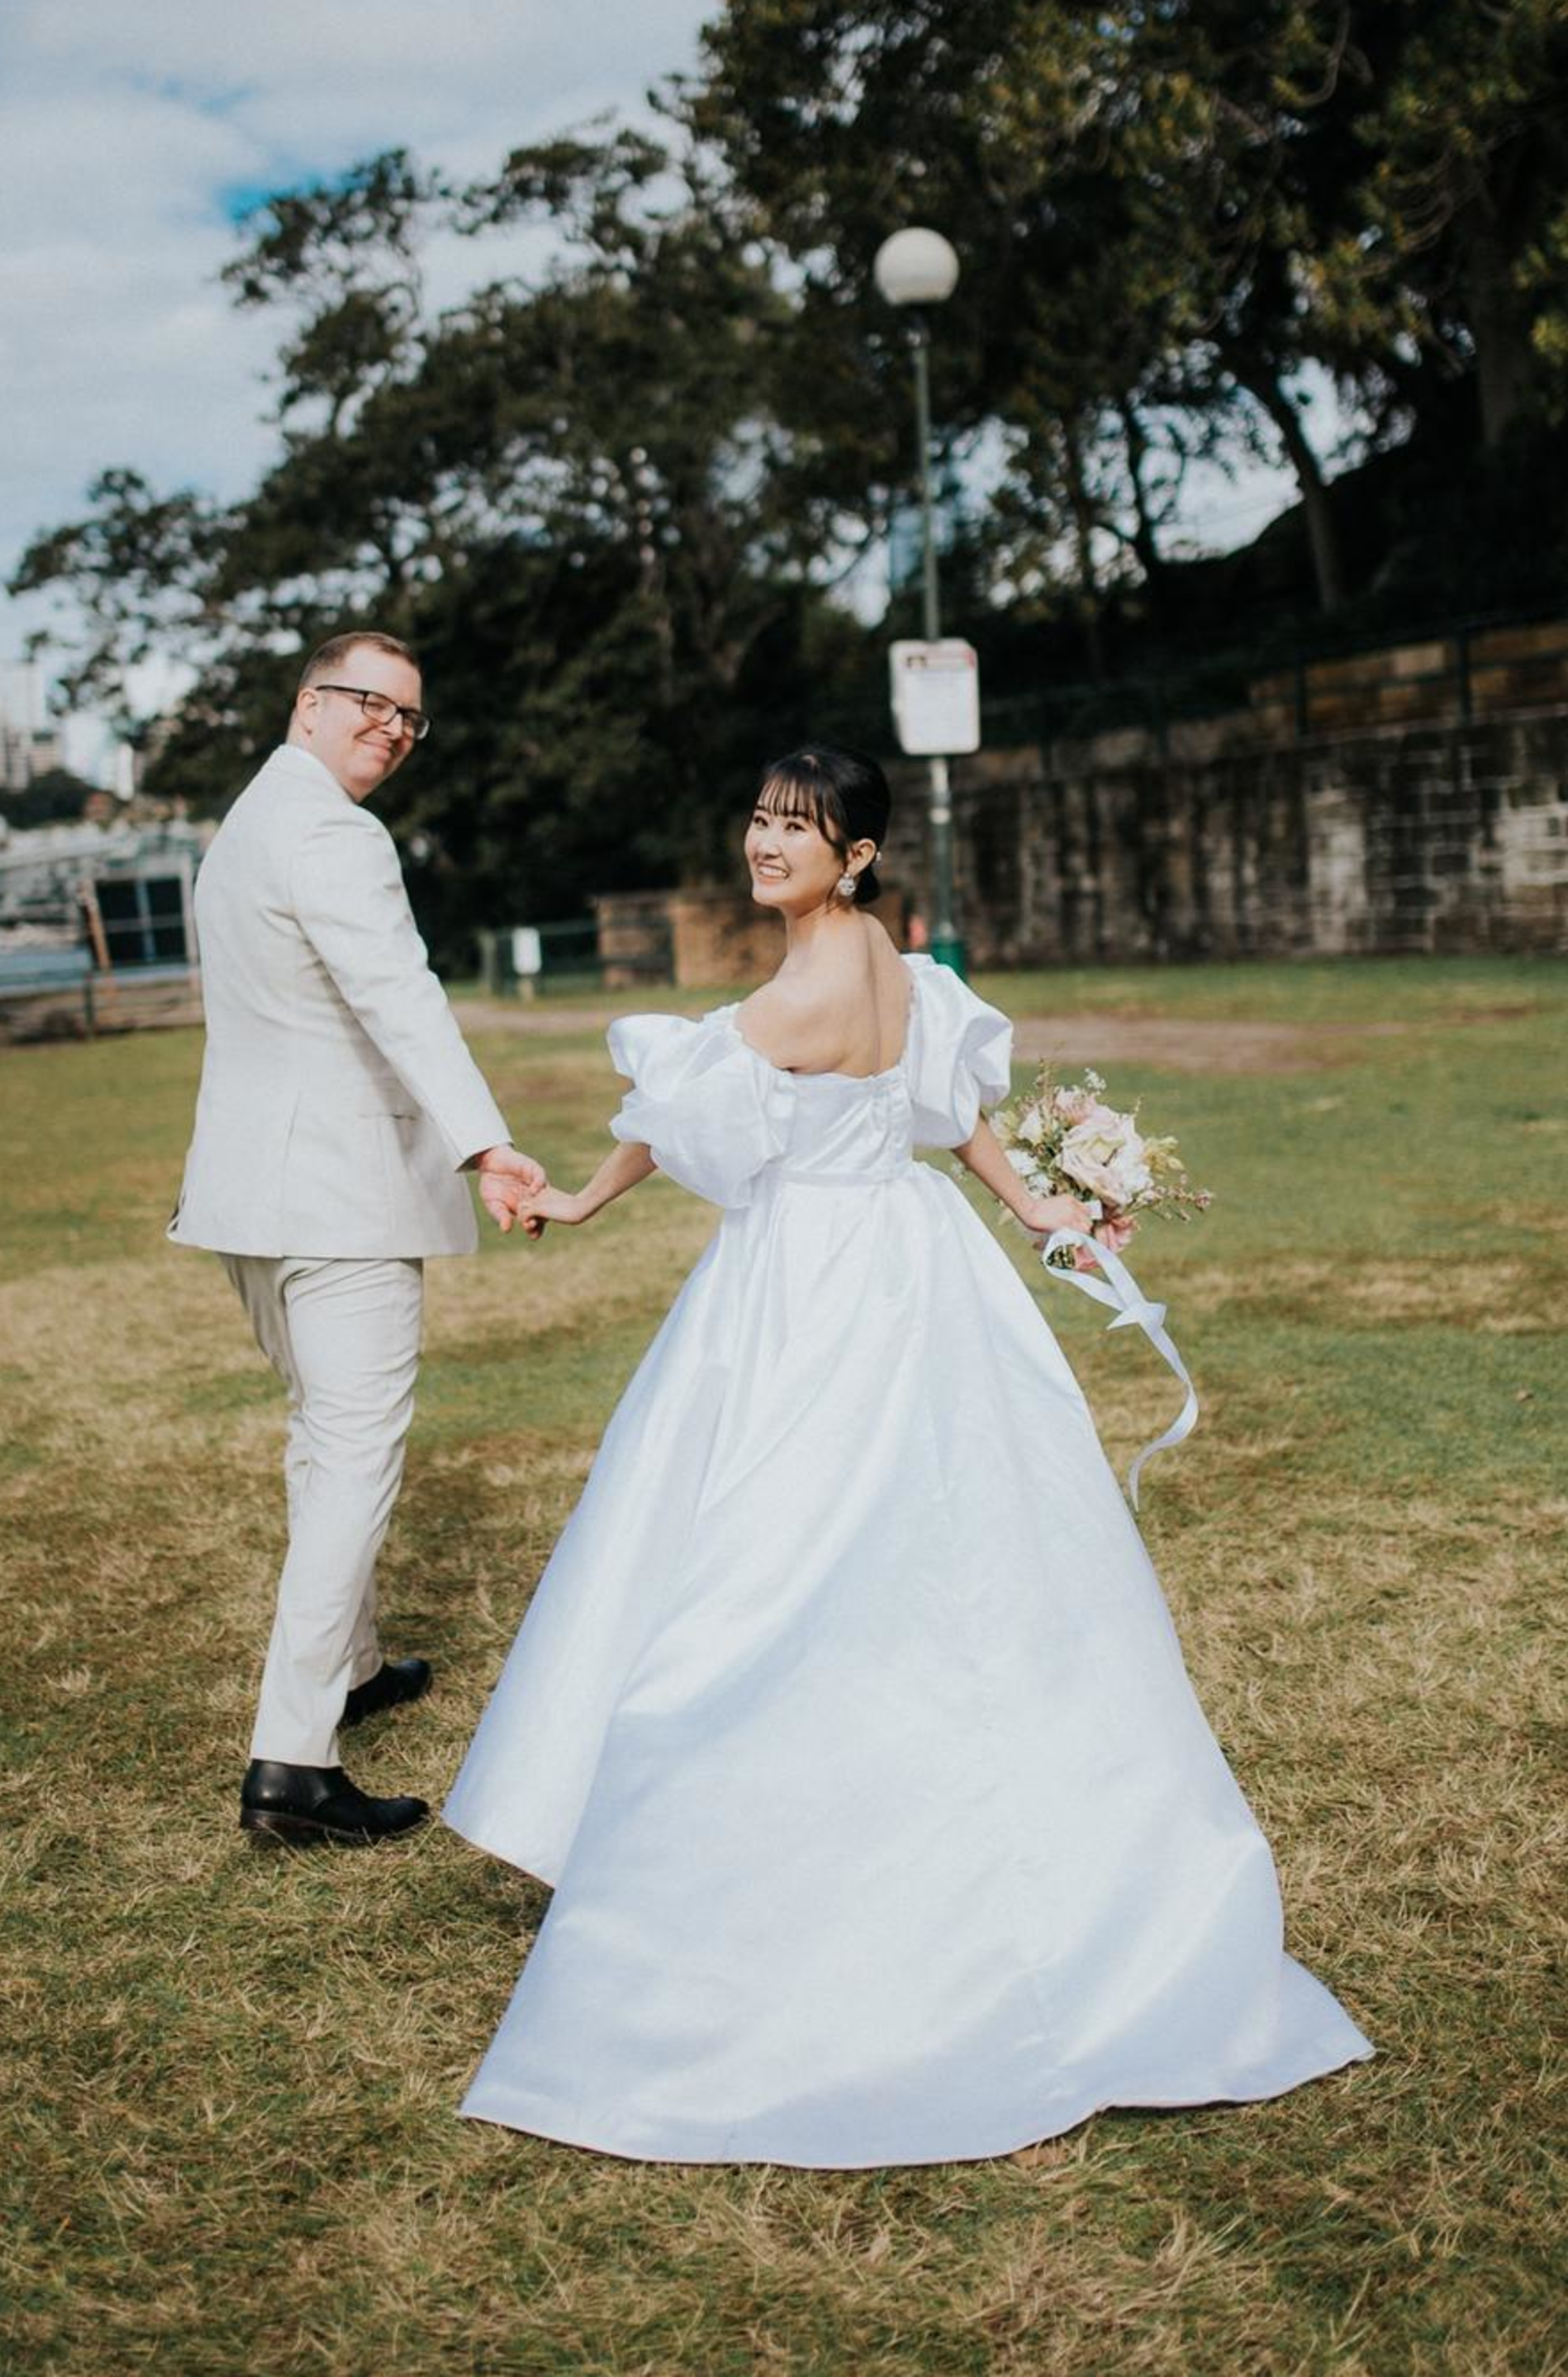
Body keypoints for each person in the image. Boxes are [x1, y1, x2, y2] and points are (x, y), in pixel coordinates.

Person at [444, 742, 1371, 2164]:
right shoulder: (896, 963)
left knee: (765, 1561)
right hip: (911, 1256)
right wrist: (1047, 1214)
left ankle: (765, 1870)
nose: (766, 842)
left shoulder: (800, 986)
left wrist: (575, 1198)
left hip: (809, 1279)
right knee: (957, 1545)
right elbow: (958, 1123)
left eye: (797, 828)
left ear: (856, 853)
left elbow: (675, 1114)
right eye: (758, 816)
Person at [170, 630, 545, 1853]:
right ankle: (291, 1760)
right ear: (308, 702)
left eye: (409, 717)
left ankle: (353, 1664)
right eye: (369, 703)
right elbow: (401, 992)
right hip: (333, 1197)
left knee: (320, 1433)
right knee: (353, 1453)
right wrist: (487, 1143)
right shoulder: (336, 830)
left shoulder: (241, 826)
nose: (391, 727)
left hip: (251, 1197)